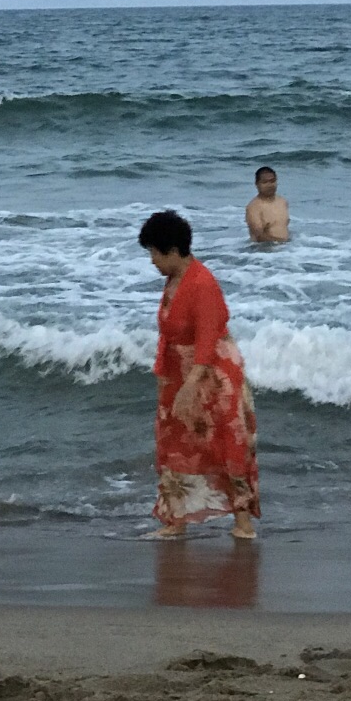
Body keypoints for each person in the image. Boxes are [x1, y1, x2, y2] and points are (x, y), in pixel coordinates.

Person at [138, 210, 259, 539]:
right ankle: (175, 520)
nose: (152, 261)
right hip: (180, 372)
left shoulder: (202, 283)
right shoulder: (174, 279)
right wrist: (168, 377)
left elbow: (207, 339)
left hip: (213, 375)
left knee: (226, 444)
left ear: (172, 251)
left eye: (154, 253)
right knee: (174, 443)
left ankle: (243, 523)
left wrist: (191, 385)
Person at [245, 166, 289, 242]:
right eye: (265, 182)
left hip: (287, 247)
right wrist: (282, 242)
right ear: (257, 184)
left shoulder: (282, 202)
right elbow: (259, 237)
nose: (270, 185)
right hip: (264, 249)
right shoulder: (254, 208)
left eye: (272, 181)